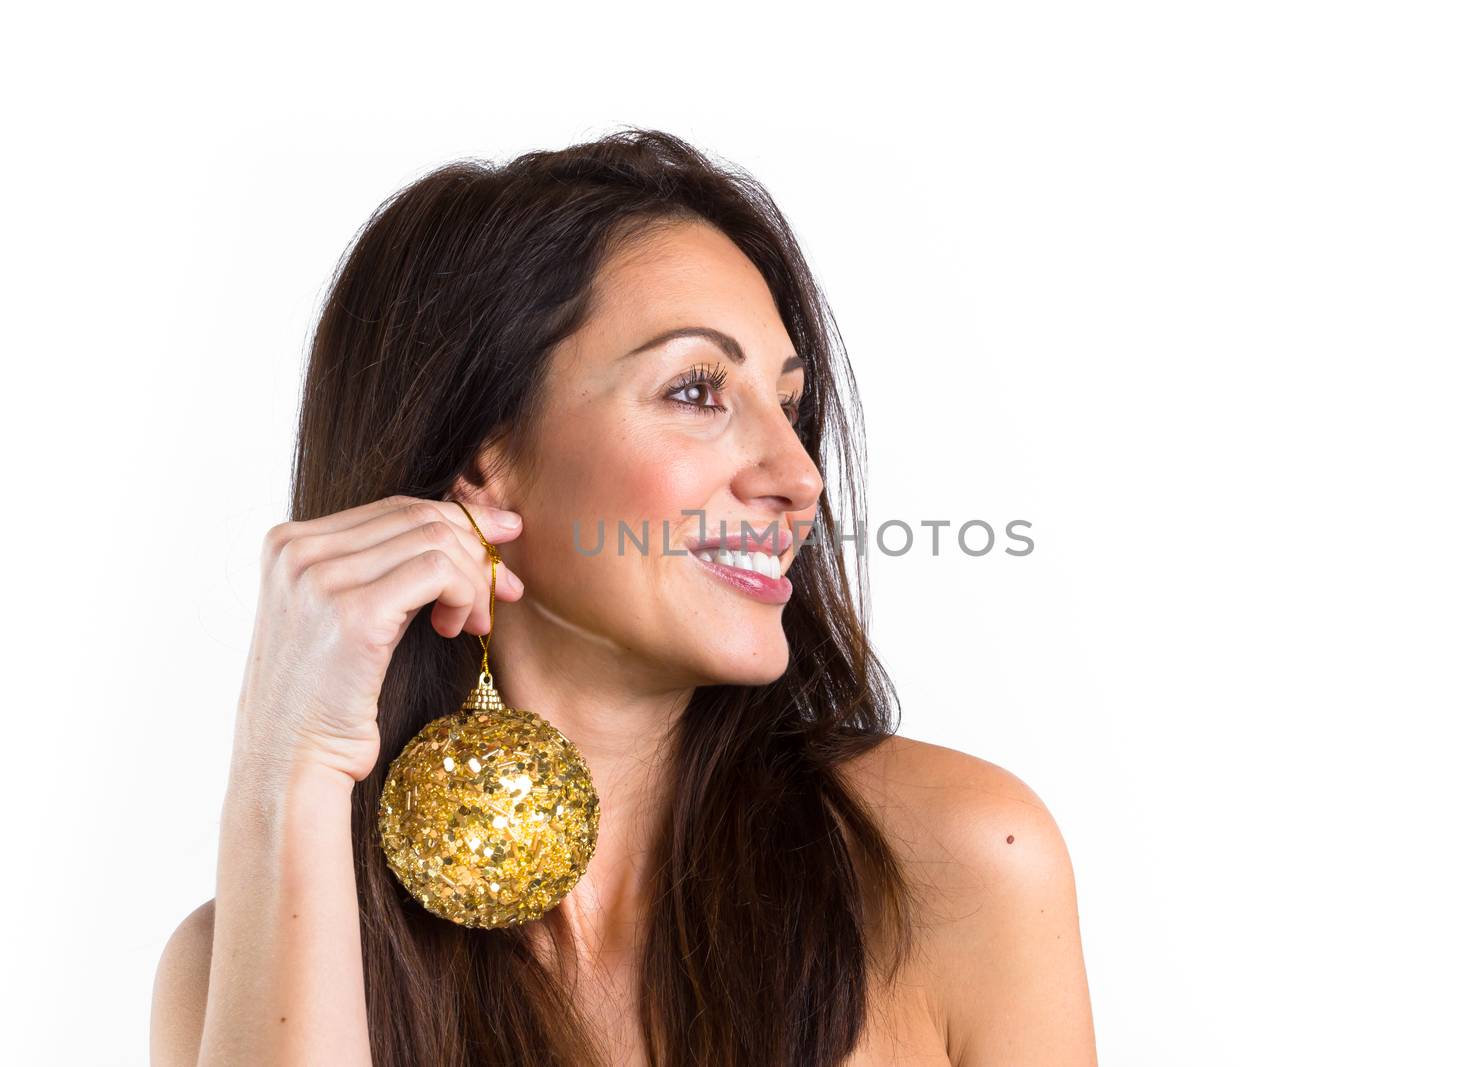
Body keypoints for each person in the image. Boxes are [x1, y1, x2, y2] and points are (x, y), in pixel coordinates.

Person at [149, 127, 1096, 1066]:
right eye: (695, 390)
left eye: (791, 404)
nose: (800, 476)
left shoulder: (958, 865)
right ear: (484, 457)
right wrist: (288, 771)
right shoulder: (243, 958)